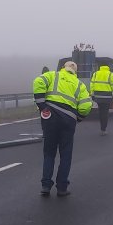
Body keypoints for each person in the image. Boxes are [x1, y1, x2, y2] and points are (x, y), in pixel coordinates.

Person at [33, 61, 92, 197]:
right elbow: (86, 105)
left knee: (49, 153)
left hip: (51, 117)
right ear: (75, 72)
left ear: (63, 68)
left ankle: (46, 185)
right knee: (65, 154)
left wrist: (42, 106)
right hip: (68, 120)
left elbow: (38, 82)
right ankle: (62, 188)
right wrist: (79, 118)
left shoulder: (53, 75)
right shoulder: (79, 84)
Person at [91, 64, 113, 135]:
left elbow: (92, 84)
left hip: (97, 96)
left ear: (100, 68)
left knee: (101, 111)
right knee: (105, 112)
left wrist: (92, 94)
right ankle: (103, 129)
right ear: (108, 68)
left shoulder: (96, 74)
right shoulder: (110, 74)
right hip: (107, 97)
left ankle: (102, 127)